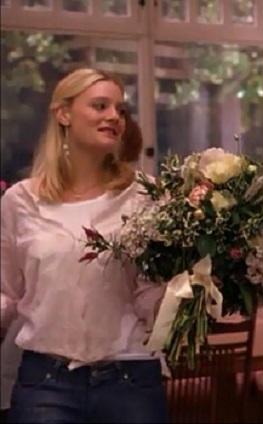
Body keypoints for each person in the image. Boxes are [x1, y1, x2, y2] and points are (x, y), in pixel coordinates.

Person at [0, 68, 166, 423]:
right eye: (100, 106)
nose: (114, 116)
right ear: (63, 114)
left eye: (120, 109)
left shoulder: (145, 195)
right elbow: (6, 292)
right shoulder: (20, 201)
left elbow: (150, 292)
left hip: (130, 376)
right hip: (46, 383)